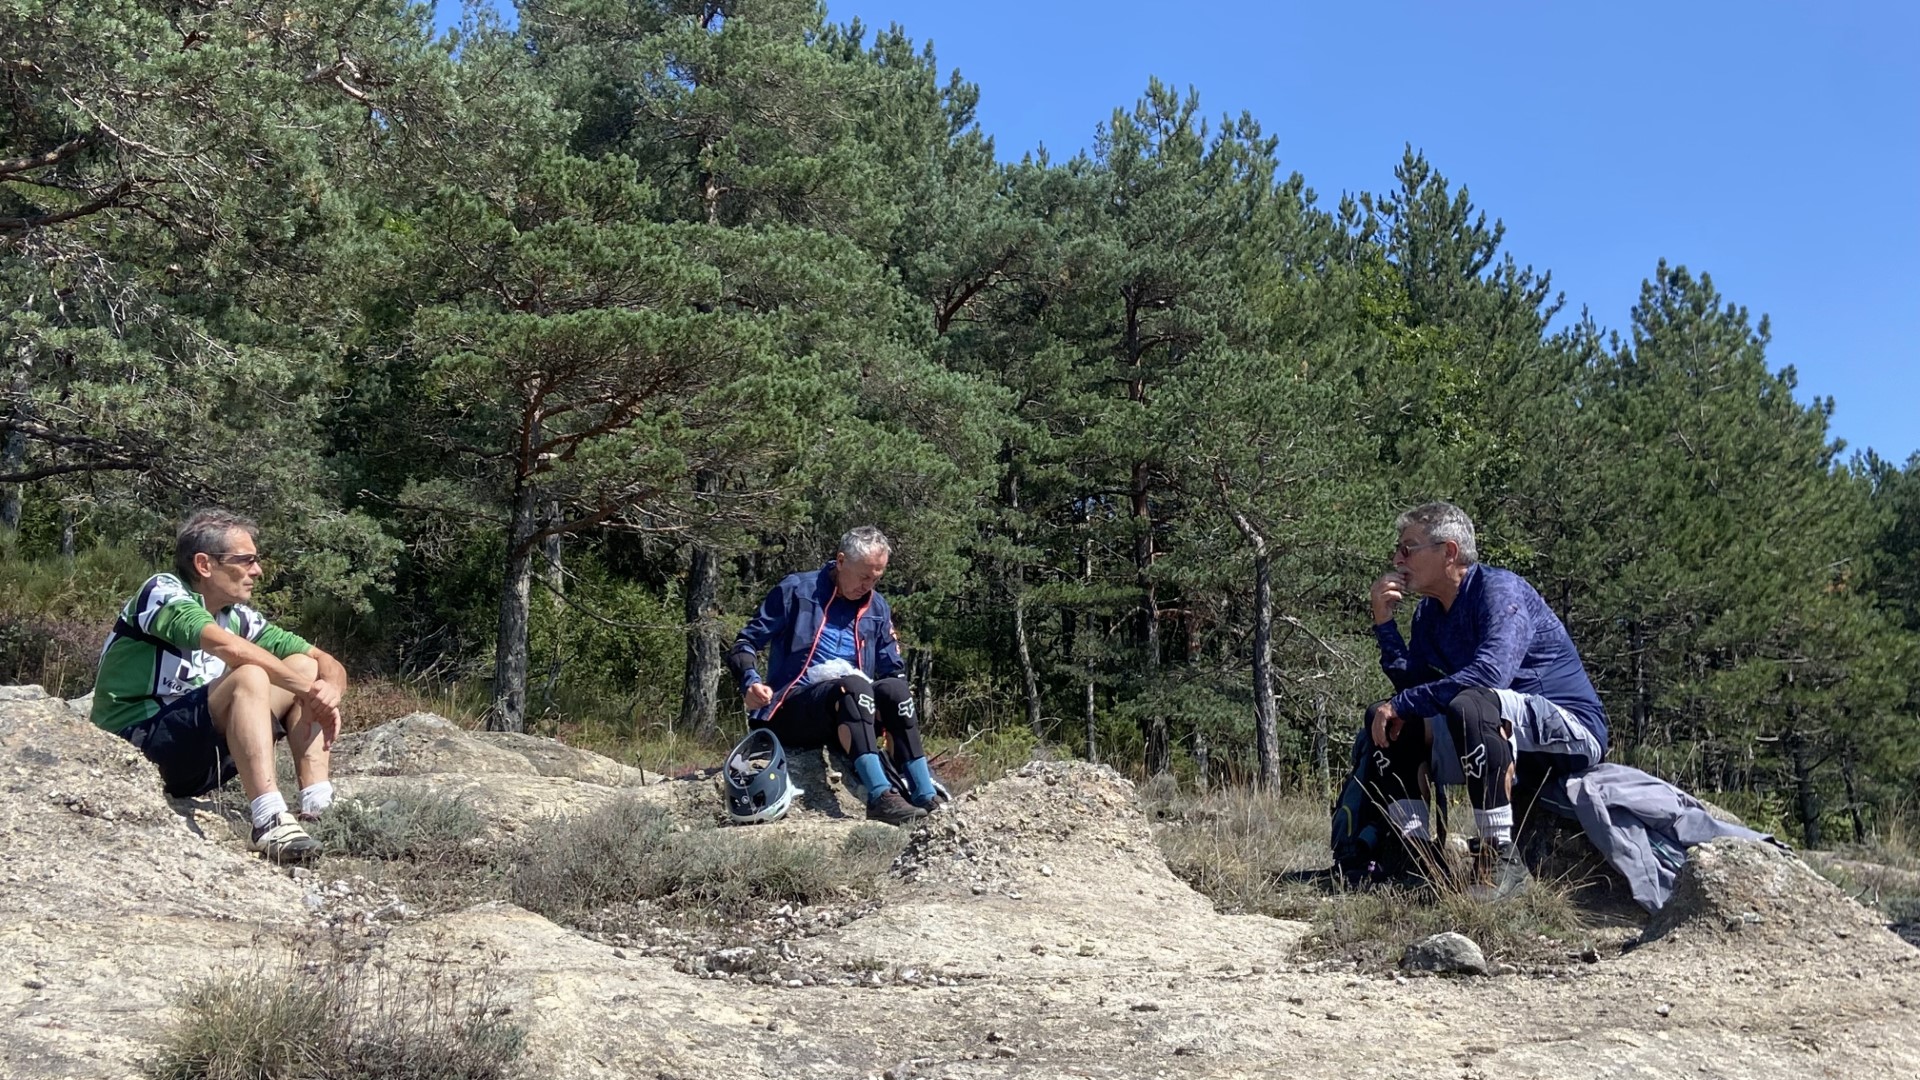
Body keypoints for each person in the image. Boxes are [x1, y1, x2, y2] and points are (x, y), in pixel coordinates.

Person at [1362, 501, 1608, 900]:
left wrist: (1405, 703)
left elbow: (1490, 676)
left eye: (1407, 548)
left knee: (1470, 704)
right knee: (1390, 720)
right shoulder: (1428, 613)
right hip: (1495, 728)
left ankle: (1500, 856)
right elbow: (1416, 688)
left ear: (1449, 551)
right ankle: (1416, 860)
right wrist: (1384, 624)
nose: (1397, 560)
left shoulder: (1499, 591)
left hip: (1571, 732)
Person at [90, 509, 349, 864]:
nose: (257, 571)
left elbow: (321, 659)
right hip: (135, 746)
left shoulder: (238, 616)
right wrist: (307, 691)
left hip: (196, 750)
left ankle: (318, 804)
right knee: (251, 674)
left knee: (305, 667)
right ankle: (268, 819)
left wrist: (328, 690)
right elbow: (229, 648)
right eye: (246, 560)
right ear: (204, 564)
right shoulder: (161, 592)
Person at [728, 526, 940, 826]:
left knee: (896, 690)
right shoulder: (797, 590)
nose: (868, 586)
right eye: (863, 576)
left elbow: (892, 669)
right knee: (853, 687)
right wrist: (750, 681)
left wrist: (891, 712)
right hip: (791, 709)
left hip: (853, 713)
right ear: (841, 561)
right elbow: (745, 643)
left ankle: (925, 793)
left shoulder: (877, 607)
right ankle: (880, 797)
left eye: (876, 578)